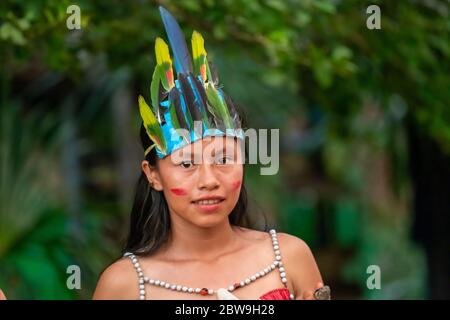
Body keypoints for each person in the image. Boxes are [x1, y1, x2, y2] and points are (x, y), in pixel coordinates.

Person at [93, 6, 330, 300]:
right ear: (152, 174)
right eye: (187, 163)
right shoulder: (123, 285)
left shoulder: (289, 258)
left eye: (223, 160)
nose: (209, 180)